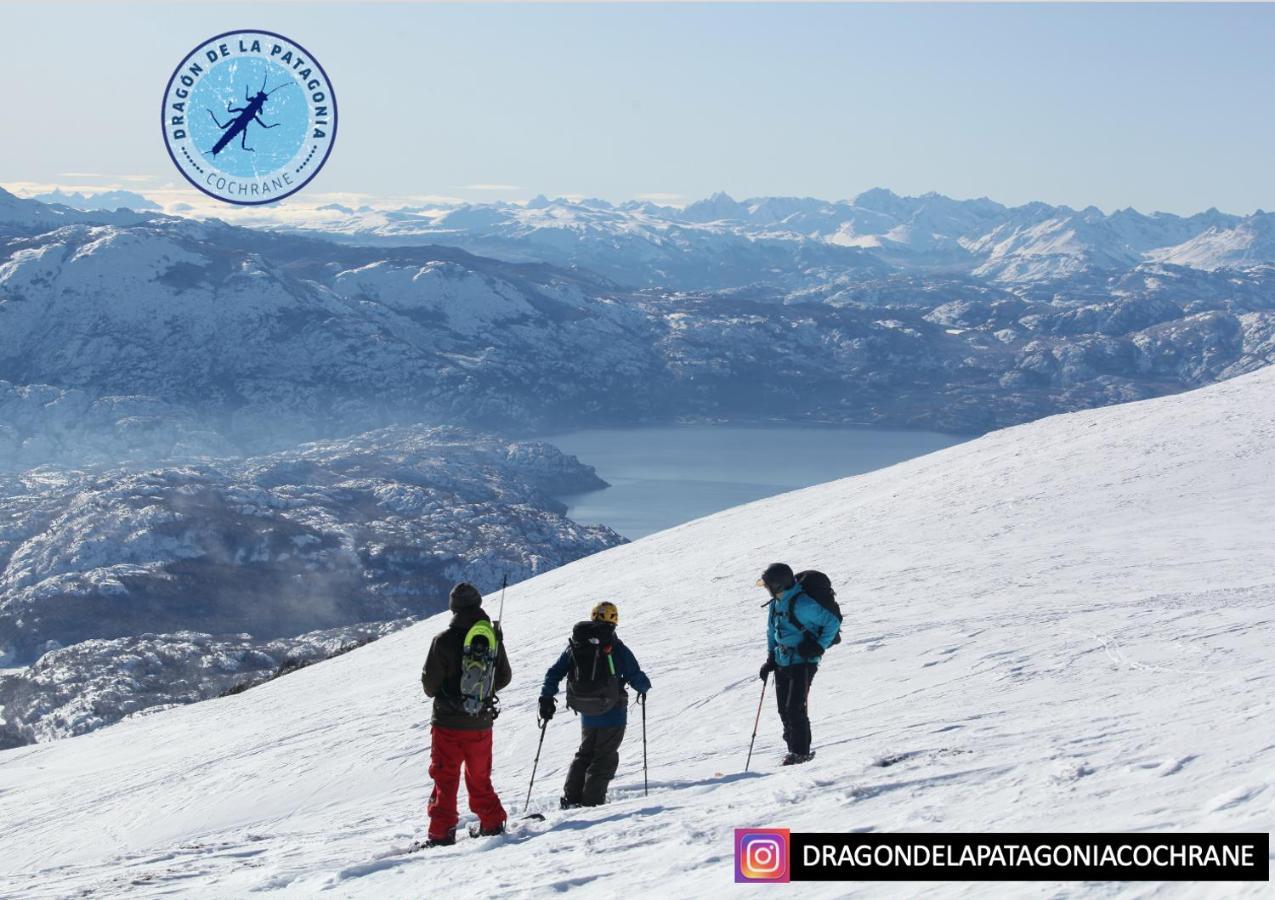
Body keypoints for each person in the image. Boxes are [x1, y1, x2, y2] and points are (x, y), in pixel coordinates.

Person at [420, 581, 512, 847]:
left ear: (453, 607)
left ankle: (441, 835)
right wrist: (481, 691)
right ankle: (492, 823)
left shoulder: (443, 640)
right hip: (480, 721)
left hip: (447, 723)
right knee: (479, 776)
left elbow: (430, 687)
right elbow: (504, 677)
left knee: (445, 778)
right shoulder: (491, 638)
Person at [539, 601, 651, 808]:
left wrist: (546, 696)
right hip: (613, 711)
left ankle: (571, 798)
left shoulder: (577, 644)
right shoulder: (615, 647)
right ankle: (592, 803)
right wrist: (644, 687)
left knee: (585, 753)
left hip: (586, 710)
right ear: (614, 620)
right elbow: (636, 677)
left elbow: (555, 672)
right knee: (604, 757)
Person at [757, 563, 839, 765]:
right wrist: (770, 658)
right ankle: (792, 751)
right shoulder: (776, 603)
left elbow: (832, 622)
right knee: (784, 710)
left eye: (768, 585)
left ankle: (801, 753)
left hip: (804, 661)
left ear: (778, 585)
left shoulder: (802, 603)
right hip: (782, 660)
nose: (766, 589)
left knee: (795, 708)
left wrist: (818, 647)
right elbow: (771, 631)